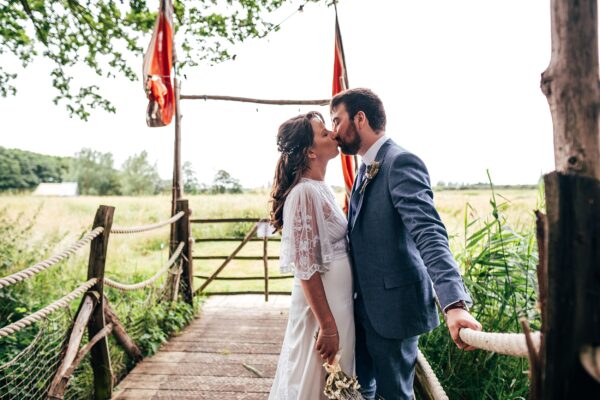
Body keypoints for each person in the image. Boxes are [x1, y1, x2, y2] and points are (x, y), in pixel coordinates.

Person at [330, 88, 483, 400]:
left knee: (396, 395)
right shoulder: (365, 168)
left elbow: (429, 232)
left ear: (360, 119)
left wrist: (454, 304)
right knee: (363, 391)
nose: (334, 131)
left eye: (337, 120)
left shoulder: (400, 162)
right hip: (363, 310)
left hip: (393, 310)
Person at [268, 111, 355, 400]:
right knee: (314, 381)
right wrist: (327, 326)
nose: (332, 134)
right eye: (323, 133)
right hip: (322, 312)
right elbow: (306, 268)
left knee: (333, 383)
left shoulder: (320, 189)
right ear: (310, 151)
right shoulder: (304, 193)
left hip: (337, 304)